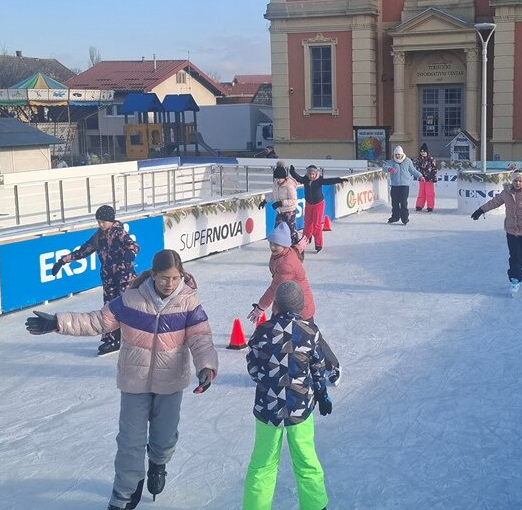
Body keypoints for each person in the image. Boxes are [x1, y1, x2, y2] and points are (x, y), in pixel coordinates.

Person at [25, 249, 219, 510]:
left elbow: (200, 338)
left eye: (174, 278)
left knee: (164, 437)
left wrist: (206, 366)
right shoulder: (131, 300)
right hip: (134, 381)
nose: (169, 284)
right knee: (130, 441)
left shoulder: (189, 303)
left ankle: (158, 464)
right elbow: (96, 321)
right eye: (164, 278)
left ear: (181, 275)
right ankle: (124, 493)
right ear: (153, 274)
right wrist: (58, 322)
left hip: (170, 382)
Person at [243, 280, 332, 510]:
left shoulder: (262, 332)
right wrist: (322, 395)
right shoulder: (309, 331)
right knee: (306, 459)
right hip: (300, 408)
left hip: (267, 408)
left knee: (263, 463)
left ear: (276, 307)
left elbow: (253, 369)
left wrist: (269, 382)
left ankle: (255, 506)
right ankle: (316, 505)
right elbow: (318, 368)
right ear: (301, 307)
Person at [248, 222, 340, 385]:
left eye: (276, 244)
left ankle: (332, 366)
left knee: (312, 337)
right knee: (283, 335)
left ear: (284, 245)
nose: (272, 246)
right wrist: (300, 245)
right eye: (271, 243)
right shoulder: (284, 253)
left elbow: (274, 288)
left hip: (300, 306)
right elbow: (294, 250)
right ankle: (285, 367)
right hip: (286, 303)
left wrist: (260, 308)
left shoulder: (286, 264)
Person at [51, 205, 139, 356]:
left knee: (127, 307)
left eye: (103, 221)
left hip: (125, 277)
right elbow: (83, 251)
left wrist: (130, 253)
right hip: (109, 278)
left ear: (111, 220)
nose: (100, 224)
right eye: (98, 221)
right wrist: (62, 261)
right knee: (109, 309)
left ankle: (136, 337)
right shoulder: (98, 236)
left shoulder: (119, 232)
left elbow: (133, 245)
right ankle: (111, 339)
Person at [289, 164, 348, 253]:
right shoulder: (305, 180)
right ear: (308, 174)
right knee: (307, 224)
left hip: (318, 204)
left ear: (316, 174)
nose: (311, 176)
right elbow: (298, 178)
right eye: (310, 174)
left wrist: (339, 180)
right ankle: (305, 239)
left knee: (316, 225)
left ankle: (318, 244)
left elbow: (329, 181)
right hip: (309, 204)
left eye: (313, 174)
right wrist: (292, 171)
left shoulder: (319, 180)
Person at [258, 162, 299, 244]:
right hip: (280, 211)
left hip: (289, 211)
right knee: (278, 230)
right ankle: (279, 247)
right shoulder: (276, 184)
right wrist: (265, 201)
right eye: (276, 178)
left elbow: (293, 200)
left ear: (284, 177)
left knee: (291, 230)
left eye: (279, 178)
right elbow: (273, 195)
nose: (277, 180)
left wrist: (281, 203)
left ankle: (296, 247)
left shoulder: (289, 186)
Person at [382, 145, 423, 225]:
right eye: (396, 154)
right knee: (395, 202)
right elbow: (384, 167)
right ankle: (395, 217)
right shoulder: (392, 161)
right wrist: (389, 169)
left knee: (403, 202)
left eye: (398, 154)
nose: (397, 156)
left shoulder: (407, 161)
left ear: (402, 154)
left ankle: (404, 218)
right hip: (395, 185)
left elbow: (413, 170)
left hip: (404, 185)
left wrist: (420, 176)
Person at [414, 143, 438, 212]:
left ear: (427, 152)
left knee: (429, 193)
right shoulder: (419, 160)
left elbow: (434, 169)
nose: (423, 153)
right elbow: (417, 168)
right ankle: (419, 205)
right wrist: (419, 176)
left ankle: (430, 206)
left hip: (429, 179)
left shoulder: (431, 159)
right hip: (422, 179)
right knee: (421, 192)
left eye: (424, 152)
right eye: (421, 152)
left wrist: (434, 177)